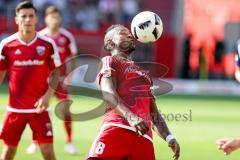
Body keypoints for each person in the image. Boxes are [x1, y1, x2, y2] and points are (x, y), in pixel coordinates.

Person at [86, 24, 180, 160]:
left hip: (144, 138)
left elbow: (154, 114)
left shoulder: (145, 74)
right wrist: (131, 117)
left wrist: (169, 137)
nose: (130, 35)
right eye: (123, 33)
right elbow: (108, 92)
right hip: (117, 128)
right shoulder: (110, 61)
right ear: (110, 43)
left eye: (129, 33)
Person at [0, 1, 61, 160]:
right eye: (24, 16)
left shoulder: (47, 44)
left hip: (39, 110)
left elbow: (56, 73)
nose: (27, 19)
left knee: (48, 152)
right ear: (16, 19)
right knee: (8, 153)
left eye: (31, 16)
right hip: (15, 110)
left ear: (36, 19)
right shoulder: (6, 45)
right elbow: (0, 72)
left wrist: (47, 96)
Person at [26, 5, 78, 155]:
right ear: (46, 19)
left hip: (60, 80)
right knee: (37, 111)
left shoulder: (67, 37)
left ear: (60, 18)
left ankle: (69, 142)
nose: (54, 19)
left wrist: (70, 77)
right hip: (42, 80)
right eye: (51, 16)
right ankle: (34, 142)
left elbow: (72, 59)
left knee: (65, 110)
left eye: (56, 16)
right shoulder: (39, 36)